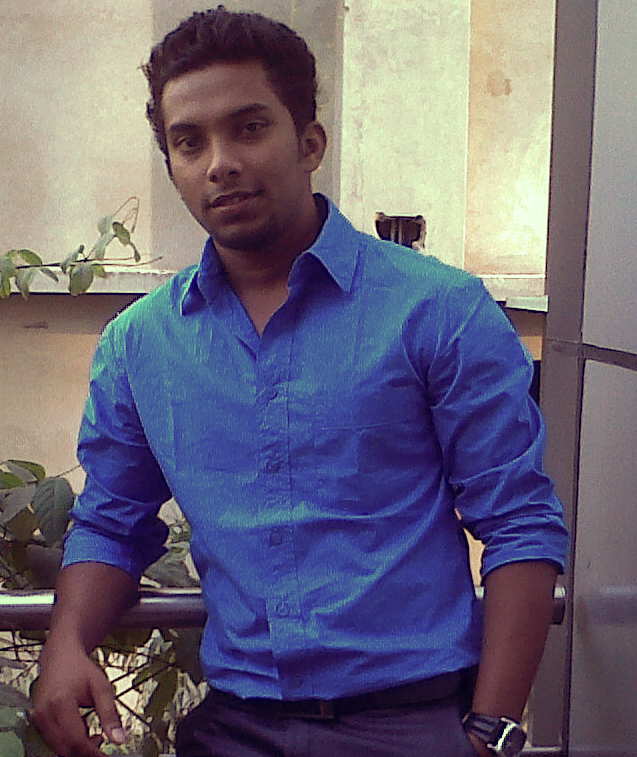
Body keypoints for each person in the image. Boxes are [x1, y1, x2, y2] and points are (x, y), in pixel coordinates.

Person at [31, 7, 569, 757]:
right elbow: (113, 522)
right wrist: (65, 645)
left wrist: (490, 731)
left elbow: (518, 522)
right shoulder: (140, 344)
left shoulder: (438, 311)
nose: (220, 162)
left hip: (415, 723)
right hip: (235, 725)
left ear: (310, 142)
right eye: (189, 142)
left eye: (249, 128)